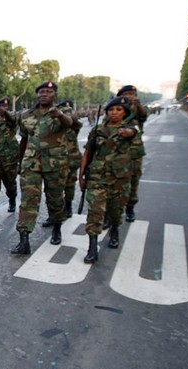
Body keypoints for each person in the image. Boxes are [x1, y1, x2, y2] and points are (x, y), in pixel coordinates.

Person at [11, 81, 73, 254]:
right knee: (28, 200)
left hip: (54, 164)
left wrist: (59, 115)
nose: (44, 94)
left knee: (55, 198)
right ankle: (24, 240)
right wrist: (19, 162)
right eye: (41, 91)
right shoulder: (26, 114)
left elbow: (70, 124)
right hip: (31, 164)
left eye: (48, 91)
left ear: (55, 95)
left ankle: (57, 228)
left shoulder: (64, 112)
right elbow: (24, 139)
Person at [79, 95, 138, 263]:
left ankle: (114, 230)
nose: (114, 112)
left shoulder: (130, 129)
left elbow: (134, 132)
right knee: (95, 211)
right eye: (111, 109)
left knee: (115, 210)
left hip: (119, 178)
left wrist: (126, 132)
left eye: (118, 110)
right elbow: (88, 153)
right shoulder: (98, 130)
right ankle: (92, 247)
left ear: (125, 112)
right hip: (97, 176)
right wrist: (81, 175)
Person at [42, 99, 82, 225]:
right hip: (56, 161)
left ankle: (68, 206)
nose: (67, 112)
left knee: (69, 185)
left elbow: (74, 121)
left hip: (72, 158)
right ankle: (53, 215)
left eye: (69, 111)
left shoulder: (73, 124)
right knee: (53, 190)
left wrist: (66, 114)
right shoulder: (56, 125)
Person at [116, 85, 148, 223]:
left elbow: (143, 116)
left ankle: (130, 207)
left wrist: (138, 105)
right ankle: (112, 212)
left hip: (133, 152)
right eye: (127, 93)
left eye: (132, 93)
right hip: (116, 152)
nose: (130, 96)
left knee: (133, 181)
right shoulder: (115, 109)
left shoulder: (138, 109)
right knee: (114, 182)